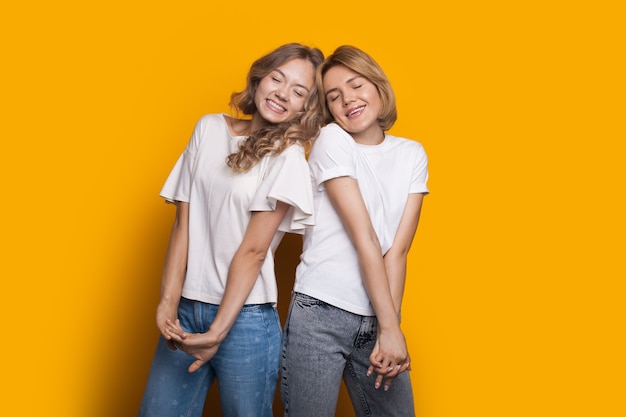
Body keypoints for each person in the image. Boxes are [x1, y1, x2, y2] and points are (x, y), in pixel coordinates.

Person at [139, 43, 324, 417]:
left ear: (306, 107)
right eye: (277, 78)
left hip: (246, 322)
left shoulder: (288, 158)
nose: (282, 94)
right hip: (186, 311)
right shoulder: (208, 129)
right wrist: (167, 301)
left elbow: (253, 251)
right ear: (258, 77)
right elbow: (183, 224)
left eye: (298, 91)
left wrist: (218, 332)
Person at [280, 45, 429, 417]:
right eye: (334, 97)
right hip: (320, 314)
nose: (348, 100)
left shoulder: (412, 154)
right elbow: (366, 238)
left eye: (356, 85)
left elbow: (396, 251)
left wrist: (389, 327)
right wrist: (391, 327)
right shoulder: (333, 141)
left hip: (377, 315)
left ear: (378, 86)